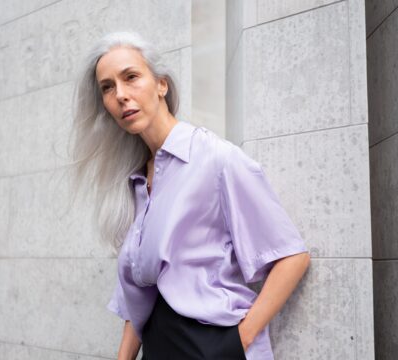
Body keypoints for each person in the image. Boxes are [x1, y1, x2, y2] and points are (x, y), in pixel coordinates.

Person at [69, 31, 311, 360]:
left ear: (161, 84)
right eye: (108, 87)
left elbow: (292, 257)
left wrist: (235, 344)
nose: (121, 95)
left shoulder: (215, 158)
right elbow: (142, 293)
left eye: (131, 77)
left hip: (212, 344)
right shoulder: (139, 180)